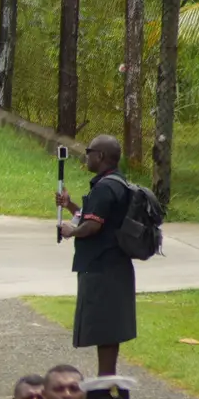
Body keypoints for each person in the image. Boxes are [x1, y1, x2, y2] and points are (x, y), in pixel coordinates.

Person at [57, 134, 138, 376]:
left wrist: (71, 231)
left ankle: (105, 385)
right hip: (115, 267)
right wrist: (70, 206)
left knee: (106, 330)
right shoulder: (117, 183)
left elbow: (93, 226)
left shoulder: (105, 188)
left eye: (89, 151)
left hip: (103, 268)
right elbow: (95, 216)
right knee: (109, 329)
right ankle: (106, 379)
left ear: (100, 156)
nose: (86, 155)